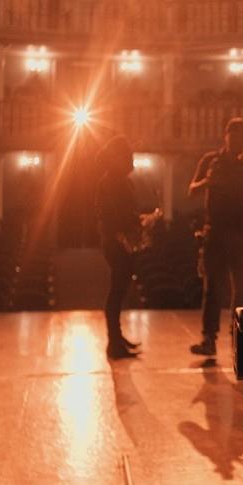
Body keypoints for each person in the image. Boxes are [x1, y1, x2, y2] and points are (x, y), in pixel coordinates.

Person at [188, 116, 243, 356]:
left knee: (242, 289)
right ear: (226, 136)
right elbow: (191, 191)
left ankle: (238, 337)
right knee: (212, 288)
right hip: (217, 232)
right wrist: (208, 180)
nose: (237, 141)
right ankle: (208, 339)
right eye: (233, 136)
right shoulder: (211, 160)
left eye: (242, 137)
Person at [96, 135, 142, 359]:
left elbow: (128, 212)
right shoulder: (109, 182)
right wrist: (130, 225)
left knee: (120, 291)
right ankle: (113, 343)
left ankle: (117, 337)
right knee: (116, 292)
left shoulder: (125, 182)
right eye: (129, 156)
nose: (133, 160)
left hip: (124, 240)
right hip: (116, 242)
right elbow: (111, 215)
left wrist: (141, 220)